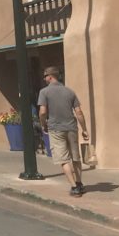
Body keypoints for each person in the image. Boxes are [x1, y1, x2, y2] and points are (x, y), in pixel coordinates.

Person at [37, 66, 88, 197]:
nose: (44, 79)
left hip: (56, 128)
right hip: (71, 127)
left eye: (45, 76)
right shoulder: (70, 92)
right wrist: (85, 129)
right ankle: (80, 182)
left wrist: (43, 125)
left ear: (50, 77)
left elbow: (43, 112)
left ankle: (74, 187)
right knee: (76, 157)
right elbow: (79, 112)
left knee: (63, 159)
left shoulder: (44, 92)